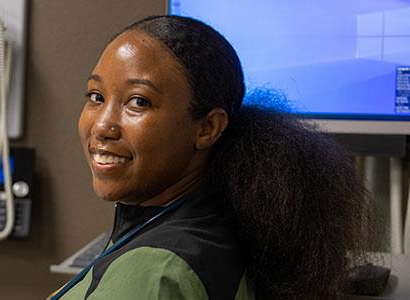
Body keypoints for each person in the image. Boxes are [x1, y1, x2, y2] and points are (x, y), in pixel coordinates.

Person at [50, 15, 373, 300]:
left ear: (207, 128)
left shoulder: (153, 272)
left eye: (138, 102)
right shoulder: (236, 218)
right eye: (96, 96)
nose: (103, 126)